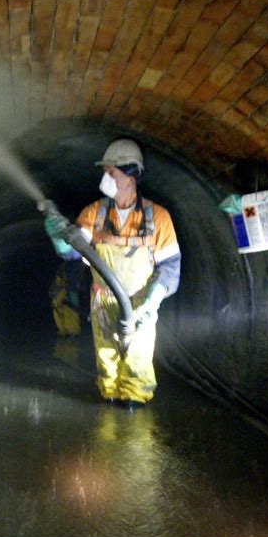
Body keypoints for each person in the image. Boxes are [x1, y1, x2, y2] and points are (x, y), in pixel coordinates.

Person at [44, 139, 181, 409]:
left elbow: (171, 267)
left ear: (131, 176)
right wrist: (60, 240)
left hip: (140, 303)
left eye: (112, 173)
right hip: (103, 301)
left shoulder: (159, 218)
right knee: (106, 359)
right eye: (105, 172)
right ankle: (108, 409)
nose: (106, 179)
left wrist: (152, 303)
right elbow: (74, 252)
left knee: (137, 361)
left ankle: (135, 415)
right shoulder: (94, 213)